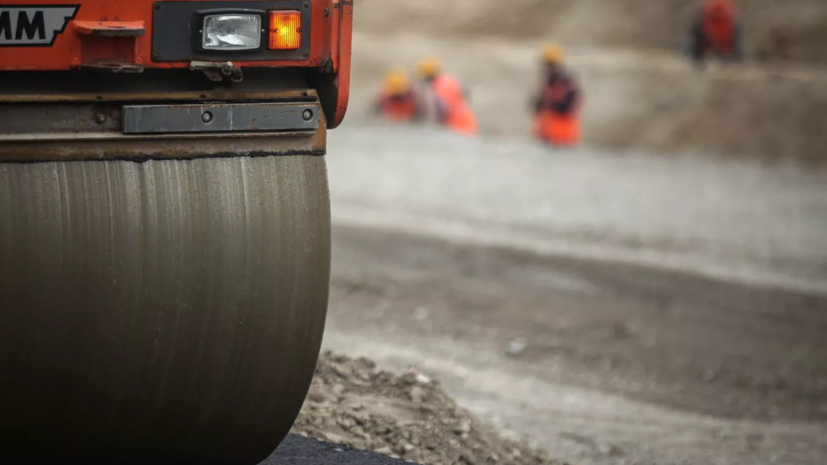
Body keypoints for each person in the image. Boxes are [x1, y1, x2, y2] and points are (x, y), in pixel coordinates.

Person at [532, 43, 582, 147]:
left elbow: (564, 107)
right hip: (546, 134)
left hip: (562, 135)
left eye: (548, 64)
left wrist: (548, 99)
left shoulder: (565, 83)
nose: (546, 68)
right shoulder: (548, 83)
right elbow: (536, 106)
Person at [416, 57, 479, 136]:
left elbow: (442, 109)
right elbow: (466, 93)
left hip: (457, 126)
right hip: (467, 121)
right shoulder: (449, 80)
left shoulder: (439, 87)